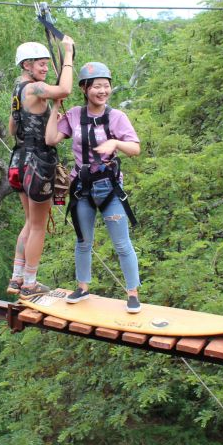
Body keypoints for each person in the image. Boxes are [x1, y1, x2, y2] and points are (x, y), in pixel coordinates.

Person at [45, 62, 143, 313]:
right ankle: (82, 287)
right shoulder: (76, 115)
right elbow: (51, 139)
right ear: (85, 89)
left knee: (122, 244)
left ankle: (132, 293)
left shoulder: (116, 117)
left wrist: (115, 143)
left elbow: (135, 148)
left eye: (106, 86)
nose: (103, 91)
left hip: (108, 188)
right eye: (97, 86)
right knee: (83, 241)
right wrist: (55, 106)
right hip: (82, 188)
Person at [7, 37, 74, 298]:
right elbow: (65, 89)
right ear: (27, 64)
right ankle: (30, 282)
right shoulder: (34, 89)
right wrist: (68, 54)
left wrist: (46, 114)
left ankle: (17, 278)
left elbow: (13, 127)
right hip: (37, 161)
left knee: (30, 221)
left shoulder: (17, 90)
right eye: (42, 64)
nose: (45, 69)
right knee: (38, 226)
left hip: (19, 159)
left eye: (48, 64)